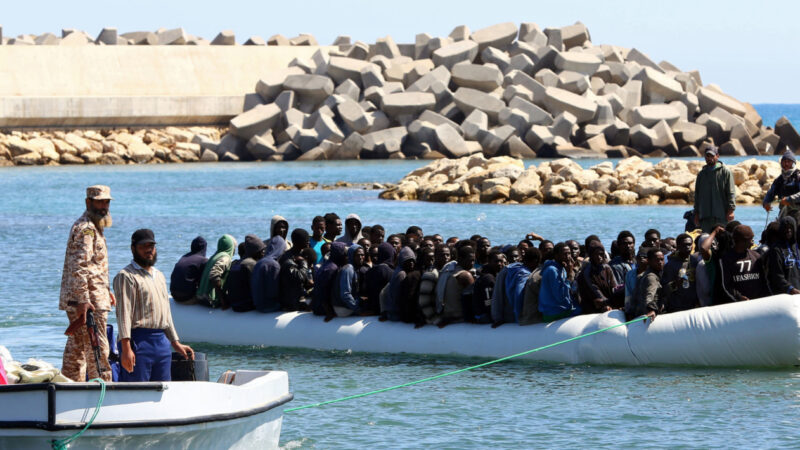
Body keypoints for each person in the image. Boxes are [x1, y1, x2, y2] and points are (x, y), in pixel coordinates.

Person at [113, 229, 193, 382]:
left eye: (151, 246)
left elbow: (166, 314)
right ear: (133, 248)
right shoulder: (126, 276)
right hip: (138, 341)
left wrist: (175, 343)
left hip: (162, 343)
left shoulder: (160, 276)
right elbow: (123, 314)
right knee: (136, 393)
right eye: (143, 246)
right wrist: (126, 348)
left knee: (162, 393)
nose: (148, 250)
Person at [60, 185, 115, 382]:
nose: (104, 206)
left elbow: (93, 266)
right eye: (99, 201)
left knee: (76, 349)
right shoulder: (87, 230)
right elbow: (80, 266)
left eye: (106, 202)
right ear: (88, 202)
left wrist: (106, 290)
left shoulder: (92, 226)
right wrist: (84, 300)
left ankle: (67, 388)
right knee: (97, 348)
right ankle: (104, 390)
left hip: (87, 297)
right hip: (88, 302)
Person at [719, 225, 767, 302]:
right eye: (750, 240)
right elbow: (725, 285)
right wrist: (739, 297)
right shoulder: (726, 259)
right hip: (738, 305)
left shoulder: (756, 256)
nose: (752, 243)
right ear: (741, 241)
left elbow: (764, 280)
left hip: (758, 303)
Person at [693, 145, 736, 232]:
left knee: (721, 240)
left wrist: (731, 210)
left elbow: (731, 193)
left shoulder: (725, 172)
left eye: (712, 156)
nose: (709, 158)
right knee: (706, 240)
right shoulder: (701, 174)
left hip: (721, 216)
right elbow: (697, 195)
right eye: (707, 156)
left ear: (717, 156)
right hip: (705, 216)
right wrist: (696, 214)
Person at [538, 242, 581, 322]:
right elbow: (560, 297)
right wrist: (569, 276)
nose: (568, 257)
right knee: (581, 310)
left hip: (561, 308)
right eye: (564, 254)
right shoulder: (552, 270)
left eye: (569, 254)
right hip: (553, 312)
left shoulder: (562, 268)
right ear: (556, 255)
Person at [225, 235, 266, 312]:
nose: (263, 253)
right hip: (245, 305)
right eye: (262, 250)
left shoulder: (235, 263)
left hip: (234, 304)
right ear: (255, 251)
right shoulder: (251, 264)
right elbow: (258, 287)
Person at [196, 234, 237, 308]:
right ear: (231, 247)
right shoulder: (225, 258)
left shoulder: (214, 256)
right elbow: (214, 275)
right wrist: (223, 300)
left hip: (200, 296)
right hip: (210, 300)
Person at [660, 233, 698, 313]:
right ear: (678, 246)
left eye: (689, 244)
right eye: (684, 245)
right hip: (677, 306)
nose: (687, 247)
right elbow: (664, 289)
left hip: (694, 305)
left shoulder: (695, 261)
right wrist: (675, 283)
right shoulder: (670, 264)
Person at [577, 244, 618, 314]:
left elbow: (615, 287)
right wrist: (607, 304)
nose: (599, 257)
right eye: (595, 254)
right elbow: (595, 291)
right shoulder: (586, 273)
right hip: (593, 307)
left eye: (601, 254)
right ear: (591, 255)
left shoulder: (607, 268)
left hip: (608, 303)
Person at [764, 216, 800, 295]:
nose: (789, 230)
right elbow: (777, 275)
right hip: (785, 294)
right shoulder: (776, 249)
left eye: (791, 228)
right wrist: (790, 289)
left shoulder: (797, 247)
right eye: (786, 228)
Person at [312, 242, 347, 320]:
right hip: (321, 308)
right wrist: (329, 311)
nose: (346, 255)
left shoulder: (331, 264)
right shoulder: (331, 268)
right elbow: (322, 291)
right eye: (344, 253)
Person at [251, 236, 286, 313]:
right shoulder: (274, 265)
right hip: (269, 306)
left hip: (257, 305)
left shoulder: (259, 262)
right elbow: (273, 292)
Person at [627, 248, 664, 321]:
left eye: (662, 259)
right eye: (657, 260)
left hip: (638, 314)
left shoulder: (642, 275)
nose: (660, 262)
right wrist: (651, 309)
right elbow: (649, 295)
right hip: (648, 314)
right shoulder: (651, 277)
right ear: (649, 261)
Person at [763, 150, 800, 223]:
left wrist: (789, 199)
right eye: (784, 162)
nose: (786, 164)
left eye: (789, 162)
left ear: (793, 163)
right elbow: (770, 193)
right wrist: (766, 203)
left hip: (798, 213)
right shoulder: (779, 180)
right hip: (783, 213)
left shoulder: (798, 178)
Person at [170, 236, 208, 304]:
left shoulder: (184, 257)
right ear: (204, 248)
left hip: (174, 295)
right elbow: (204, 282)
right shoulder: (203, 260)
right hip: (186, 298)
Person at [332, 244, 368, 316]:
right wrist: (359, 310)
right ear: (351, 256)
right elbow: (345, 295)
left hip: (345, 306)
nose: (360, 257)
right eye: (357, 255)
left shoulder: (354, 268)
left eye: (362, 255)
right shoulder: (348, 269)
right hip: (343, 309)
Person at [279, 247, 316, 311]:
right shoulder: (289, 265)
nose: (311, 266)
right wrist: (304, 262)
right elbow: (300, 277)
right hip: (290, 303)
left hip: (295, 298)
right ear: (305, 258)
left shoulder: (299, 266)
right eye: (310, 263)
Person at [473, 251, 505, 324]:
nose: (499, 264)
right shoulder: (488, 278)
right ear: (489, 262)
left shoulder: (491, 274)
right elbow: (489, 303)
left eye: (501, 261)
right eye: (496, 261)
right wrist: (496, 319)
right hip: (484, 316)